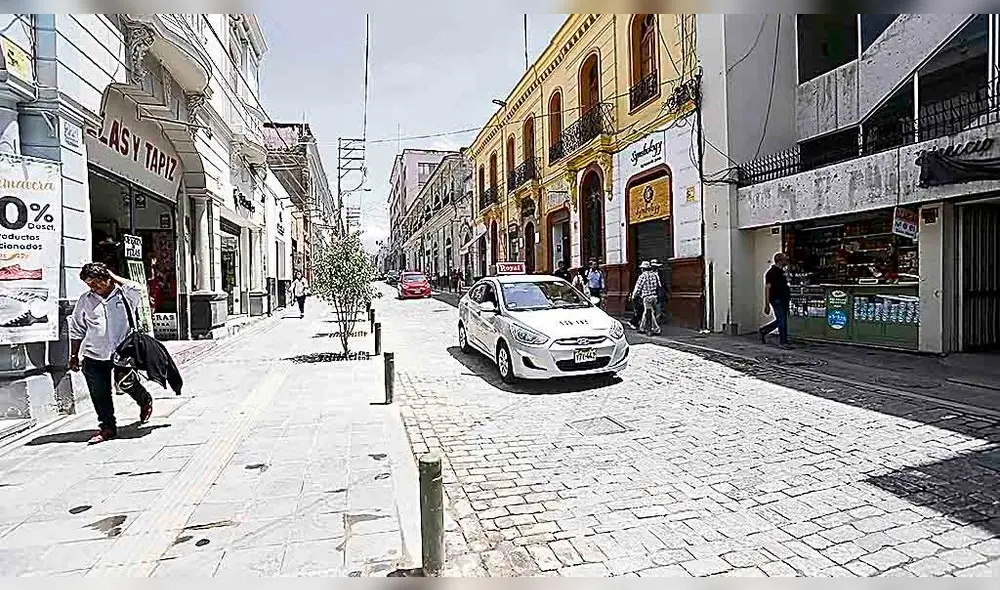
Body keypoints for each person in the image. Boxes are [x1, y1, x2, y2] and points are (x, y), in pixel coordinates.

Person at [69, 262, 153, 444]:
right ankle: (107, 427)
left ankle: (144, 399)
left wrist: (113, 276)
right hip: (94, 354)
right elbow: (77, 329)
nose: (93, 287)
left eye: (96, 283)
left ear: (106, 278)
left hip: (123, 352)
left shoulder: (126, 295)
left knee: (126, 383)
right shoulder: (85, 300)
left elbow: (138, 287)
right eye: (89, 284)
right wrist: (74, 355)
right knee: (99, 392)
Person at [759, 252, 791, 347]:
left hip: (783, 299)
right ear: (780, 261)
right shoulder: (771, 273)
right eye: (785, 259)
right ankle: (783, 341)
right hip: (776, 299)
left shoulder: (782, 272)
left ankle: (765, 330)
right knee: (782, 320)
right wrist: (767, 304)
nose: (786, 261)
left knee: (782, 320)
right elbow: (767, 288)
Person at [631, 260, 662, 336]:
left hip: (647, 297)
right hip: (654, 296)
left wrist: (633, 296)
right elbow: (659, 285)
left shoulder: (642, 276)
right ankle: (642, 328)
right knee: (646, 313)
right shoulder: (654, 275)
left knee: (650, 313)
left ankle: (656, 329)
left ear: (643, 269)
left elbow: (638, 287)